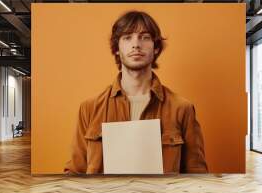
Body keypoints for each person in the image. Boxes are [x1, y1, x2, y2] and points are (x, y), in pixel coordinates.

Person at [65, 10, 207, 174]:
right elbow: (75, 172)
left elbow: (197, 176)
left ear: (155, 48)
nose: (136, 44)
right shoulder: (89, 108)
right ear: (117, 48)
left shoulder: (182, 108)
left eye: (145, 37)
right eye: (127, 37)